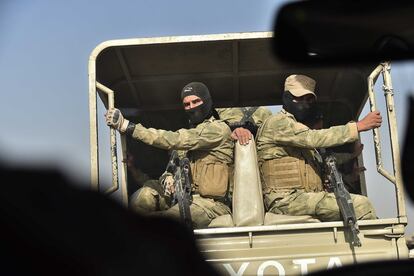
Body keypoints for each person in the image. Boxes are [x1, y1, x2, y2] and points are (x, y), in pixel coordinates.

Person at [105, 82, 234, 228]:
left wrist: (129, 127)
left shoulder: (217, 130)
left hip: (211, 205)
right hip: (182, 198)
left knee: (165, 222)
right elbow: (170, 169)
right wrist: (168, 178)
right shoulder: (187, 144)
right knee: (145, 194)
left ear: (207, 101)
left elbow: (174, 139)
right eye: (187, 104)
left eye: (196, 101)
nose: (192, 107)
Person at [256, 74, 381, 221]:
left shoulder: (298, 134)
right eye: (299, 98)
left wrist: (349, 158)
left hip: (303, 198)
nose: (304, 103)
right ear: (287, 98)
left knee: (353, 203)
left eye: (308, 100)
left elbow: (323, 161)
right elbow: (314, 138)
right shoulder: (278, 123)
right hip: (287, 201)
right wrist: (358, 127)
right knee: (361, 206)